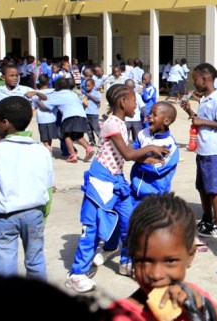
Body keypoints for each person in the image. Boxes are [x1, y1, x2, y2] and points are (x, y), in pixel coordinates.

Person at [66, 84, 169, 293]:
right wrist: (150, 148)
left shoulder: (120, 123)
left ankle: (127, 262)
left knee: (130, 221)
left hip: (116, 180)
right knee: (92, 228)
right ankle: (77, 273)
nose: (136, 104)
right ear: (123, 101)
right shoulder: (112, 123)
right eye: (134, 100)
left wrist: (151, 159)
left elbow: (127, 153)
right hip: (100, 181)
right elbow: (129, 154)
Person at [0, 97, 54, 279]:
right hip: (34, 215)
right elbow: (47, 189)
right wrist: (43, 217)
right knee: (36, 260)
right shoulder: (41, 151)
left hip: (5, 218)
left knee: (4, 262)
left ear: (4, 123)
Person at [108, 194, 217, 321]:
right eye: (145, 261)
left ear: (190, 256)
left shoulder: (193, 297)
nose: (156, 274)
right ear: (132, 256)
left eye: (170, 261)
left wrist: (203, 306)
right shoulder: (120, 316)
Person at [180, 64, 217, 239]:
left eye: (195, 79)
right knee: (202, 186)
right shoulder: (205, 98)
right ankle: (208, 219)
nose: (194, 83)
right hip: (203, 149)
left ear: (205, 79)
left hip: (214, 150)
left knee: (213, 188)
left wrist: (201, 121)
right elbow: (201, 120)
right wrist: (189, 111)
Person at [129, 102, 180, 211]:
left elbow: (157, 169)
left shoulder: (170, 145)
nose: (149, 116)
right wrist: (149, 159)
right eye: (150, 113)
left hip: (155, 197)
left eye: (154, 114)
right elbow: (130, 153)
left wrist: (137, 158)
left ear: (166, 121)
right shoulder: (142, 134)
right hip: (134, 191)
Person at [43, 78, 95, 163]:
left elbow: (46, 106)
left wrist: (37, 101)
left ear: (56, 86)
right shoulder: (72, 93)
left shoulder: (57, 94)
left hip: (69, 116)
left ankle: (72, 155)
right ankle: (88, 148)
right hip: (81, 115)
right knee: (77, 135)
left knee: (66, 135)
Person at [32, 75, 58, 153]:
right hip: (52, 118)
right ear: (48, 82)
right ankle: (49, 147)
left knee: (44, 136)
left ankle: (47, 147)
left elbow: (34, 107)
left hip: (41, 119)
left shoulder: (36, 94)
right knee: (50, 136)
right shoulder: (54, 91)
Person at [84, 78, 101, 147]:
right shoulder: (85, 92)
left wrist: (90, 96)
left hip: (93, 114)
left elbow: (98, 101)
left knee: (96, 129)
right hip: (86, 113)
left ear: (93, 85)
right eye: (86, 86)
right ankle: (92, 141)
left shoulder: (96, 92)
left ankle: (102, 141)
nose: (87, 87)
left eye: (88, 85)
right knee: (88, 129)